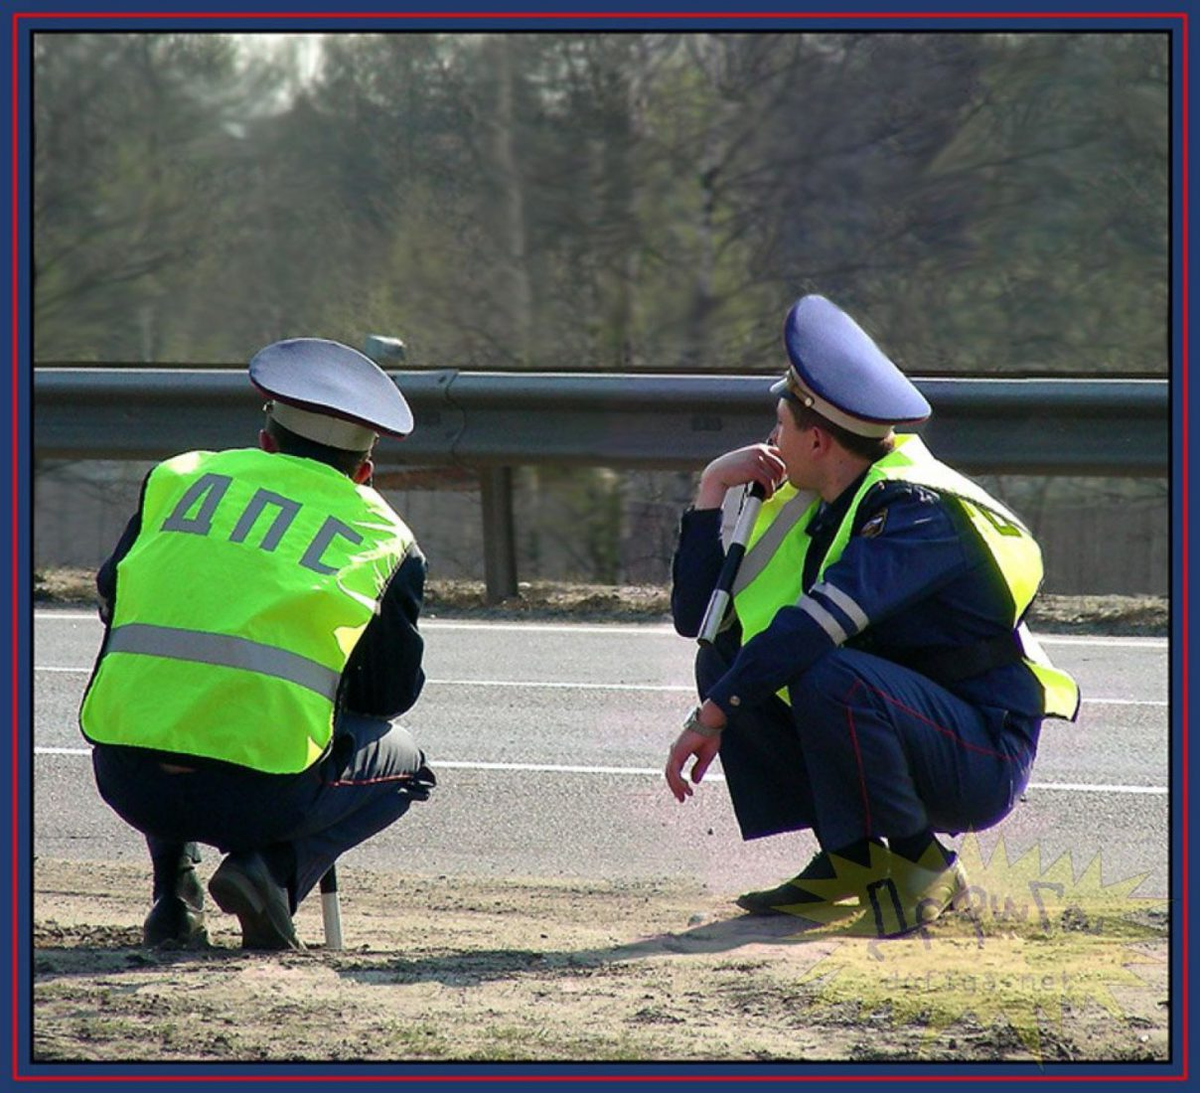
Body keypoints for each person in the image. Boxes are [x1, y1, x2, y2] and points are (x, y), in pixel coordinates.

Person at [665, 295, 1079, 937]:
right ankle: (850, 859)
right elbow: (703, 623)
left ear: (817, 438)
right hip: (912, 719)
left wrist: (711, 717)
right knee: (728, 662)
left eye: (779, 426)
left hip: (978, 749)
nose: (771, 441)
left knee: (827, 673)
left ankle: (925, 862)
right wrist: (713, 489)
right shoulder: (821, 498)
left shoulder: (917, 512)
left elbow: (815, 627)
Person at [79, 337, 436, 950]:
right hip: (262, 797)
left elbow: (113, 598)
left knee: (172, 698)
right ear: (365, 470)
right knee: (406, 765)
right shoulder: (385, 536)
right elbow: (387, 696)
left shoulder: (176, 478)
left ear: (265, 440)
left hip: (125, 775)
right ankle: (270, 875)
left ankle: (174, 898)